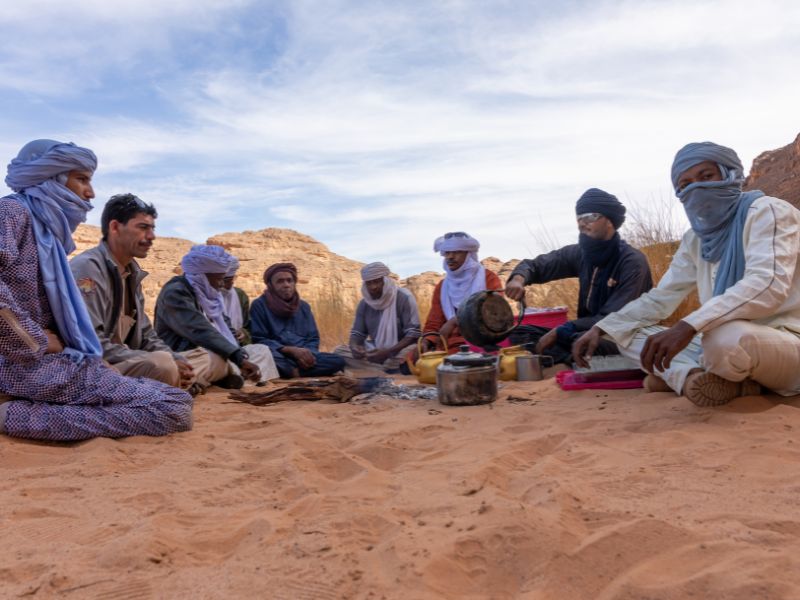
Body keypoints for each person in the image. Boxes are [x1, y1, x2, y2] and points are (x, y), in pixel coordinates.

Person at [573, 141, 800, 407]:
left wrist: (689, 326)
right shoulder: (695, 239)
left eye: (706, 177)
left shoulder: (768, 212)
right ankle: (692, 378)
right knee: (627, 333)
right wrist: (601, 328)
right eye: (685, 185)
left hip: (785, 342)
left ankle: (682, 378)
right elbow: (662, 297)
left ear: (730, 176)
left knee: (724, 337)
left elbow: (767, 285)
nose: (695, 188)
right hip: (724, 347)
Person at [0, 139, 192, 441]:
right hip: (22, 367)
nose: (90, 192)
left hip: (53, 363)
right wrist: (37, 341)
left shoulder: (48, 232)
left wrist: (89, 356)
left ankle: (21, 409)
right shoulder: (11, 212)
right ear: (50, 176)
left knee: (167, 390)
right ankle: (13, 415)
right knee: (173, 407)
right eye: (82, 179)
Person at [505, 189, 653, 363]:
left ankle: (564, 360)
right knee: (520, 332)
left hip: (620, 333)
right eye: (579, 217)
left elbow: (613, 318)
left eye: (590, 216)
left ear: (610, 221)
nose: (582, 223)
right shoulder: (580, 254)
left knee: (584, 342)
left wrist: (563, 329)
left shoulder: (632, 261)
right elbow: (537, 265)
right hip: (581, 330)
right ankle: (565, 359)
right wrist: (518, 278)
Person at [70, 193, 197, 388]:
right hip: (94, 367)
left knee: (187, 361)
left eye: (152, 229)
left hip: (125, 361)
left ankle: (177, 379)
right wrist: (163, 360)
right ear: (114, 227)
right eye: (143, 227)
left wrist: (176, 358)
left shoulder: (132, 273)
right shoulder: (88, 269)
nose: (151, 236)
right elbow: (90, 343)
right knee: (162, 365)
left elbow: (147, 335)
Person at [155, 245, 279, 389]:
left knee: (260, 350)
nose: (221, 284)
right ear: (202, 276)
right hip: (188, 353)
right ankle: (231, 377)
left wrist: (239, 352)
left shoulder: (211, 294)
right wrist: (237, 357)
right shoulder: (176, 293)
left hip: (219, 351)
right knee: (211, 358)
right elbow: (200, 331)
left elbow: (226, 328)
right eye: (219, 279)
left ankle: (227, 377)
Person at [250, 262, 346, 378]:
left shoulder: (304, 307)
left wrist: (306, 355)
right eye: (280, 281)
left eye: (289, 280)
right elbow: (259, 339)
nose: (286, 285)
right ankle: (292, 371)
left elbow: (313, 338)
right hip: (279, 355)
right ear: (270, 285)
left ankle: (293, 372)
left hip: (303, 356)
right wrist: (289, 350)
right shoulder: (259, 305)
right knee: (264, 353)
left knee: (338, 360)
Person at [419, 232, 502, 354]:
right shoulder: (442, 286)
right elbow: (434, 321)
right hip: (449, 342)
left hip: (482, 340)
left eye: (457, 252)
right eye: (447, 253)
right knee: (412, 357)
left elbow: (494, 313)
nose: (450, 257)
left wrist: (454, 321)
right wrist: (427, 340)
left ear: (469, 254)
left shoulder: (488, 278)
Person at [334, 262, 421, 371]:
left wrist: (388, 352)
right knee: (339, 351)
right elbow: (357, 333)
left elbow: (413, 334)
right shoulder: (364, 304)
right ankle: (389, 369)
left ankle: (379, 368)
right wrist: (354, 347)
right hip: (375, 351)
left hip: (399, 350)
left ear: (385, 281)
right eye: (369, 283)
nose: (373, 287)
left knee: (412, 352)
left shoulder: (404, 297)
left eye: (377, 282)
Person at [221, 256, 252, 346]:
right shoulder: (205, 297)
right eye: (226, 280)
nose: (231, 283)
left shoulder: (240, 295)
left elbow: (248, 327)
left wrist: (243, 334)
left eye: (232, 279)